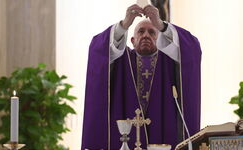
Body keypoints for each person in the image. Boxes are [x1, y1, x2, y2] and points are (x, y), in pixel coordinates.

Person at [82, 4, 201, 150]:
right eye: (141, 31)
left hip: (163, 131)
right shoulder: (121, 60)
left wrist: (161, 25)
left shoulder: (169, 62)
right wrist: (124, 25)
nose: (146, 35)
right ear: (132, 40)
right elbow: (98, 49)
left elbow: (192, 48)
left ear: (160, 40)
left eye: (152, 32)